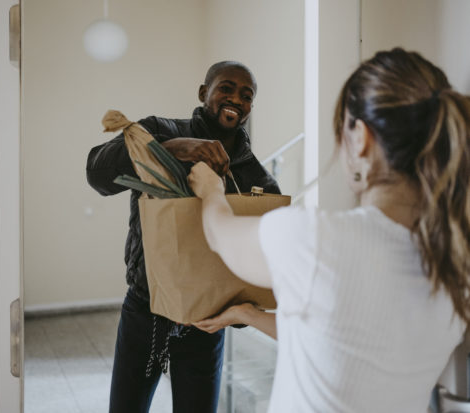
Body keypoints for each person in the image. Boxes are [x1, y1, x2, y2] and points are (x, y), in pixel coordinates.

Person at [188, 48, 470, 412]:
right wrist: (247, 315)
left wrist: (211, 191)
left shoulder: (315, 239)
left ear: (361, 137)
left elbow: (218, 233)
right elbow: (338, 342)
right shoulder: (454, 262)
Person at [86, 61, 280, 413]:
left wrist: (236, 313)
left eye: (246, 95)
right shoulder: (157, 131)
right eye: (226, 88)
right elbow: (96, 172)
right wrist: (173, 148)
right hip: (145, 309)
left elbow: (260, 260)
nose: (236, 98)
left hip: (206, 327)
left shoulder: (258, 180)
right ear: (204, 92)